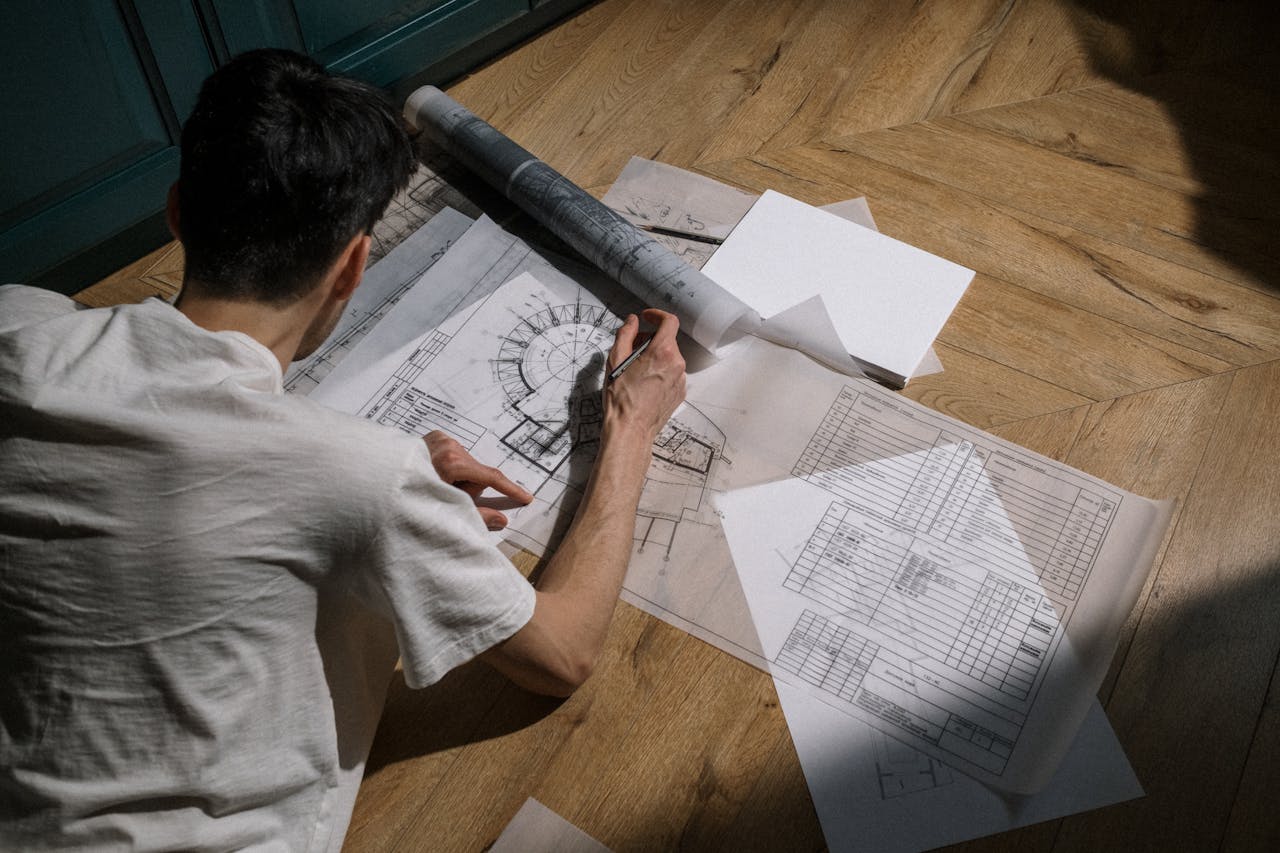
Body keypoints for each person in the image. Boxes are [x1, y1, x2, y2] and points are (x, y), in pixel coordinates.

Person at [0, 49, 685, 850]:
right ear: (354, 264)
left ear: (178, 212)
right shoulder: (365, 475)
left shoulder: (17, 328)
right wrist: (631, 426)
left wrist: (347, 485)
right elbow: (561, 655)